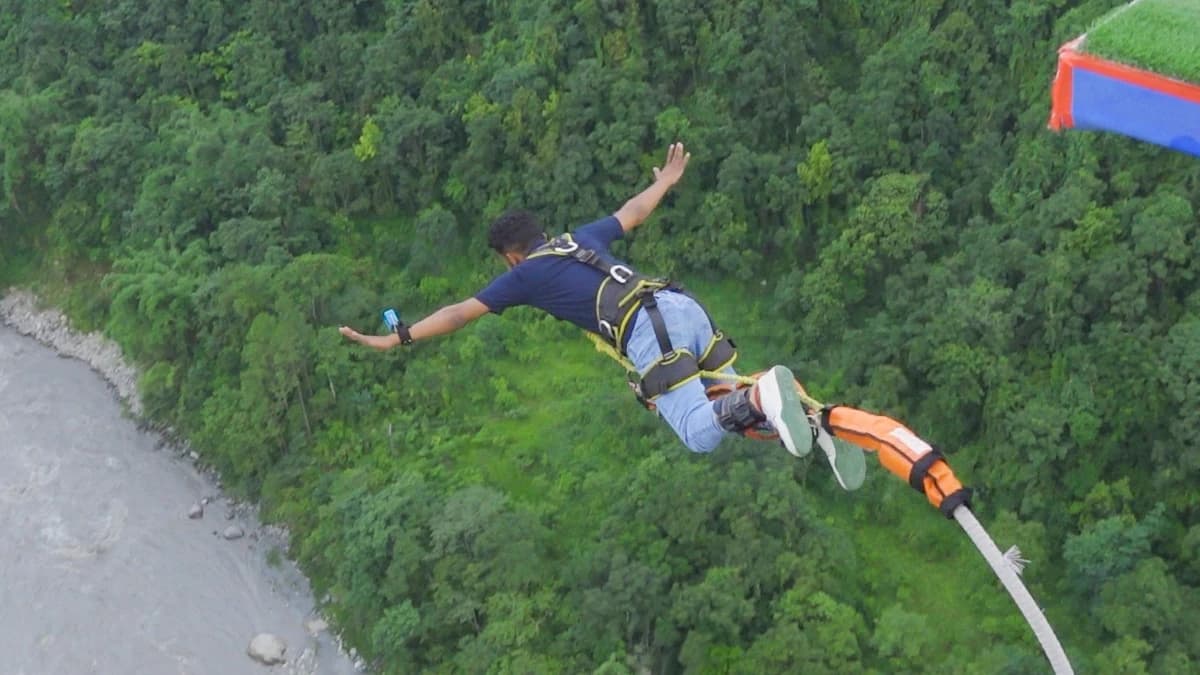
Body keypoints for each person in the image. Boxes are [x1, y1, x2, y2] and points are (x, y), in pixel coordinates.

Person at [340, 143, 812, 457]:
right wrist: (666, 180)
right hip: (681, 305)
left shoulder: (527, 274)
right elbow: (633, 212)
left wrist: (396, 338)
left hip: (649, 331)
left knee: (695, 432)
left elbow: (459, 313)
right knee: (722, 401)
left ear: (510, 257)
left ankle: (761, 394)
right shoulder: (577, 240)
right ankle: (808, 421)